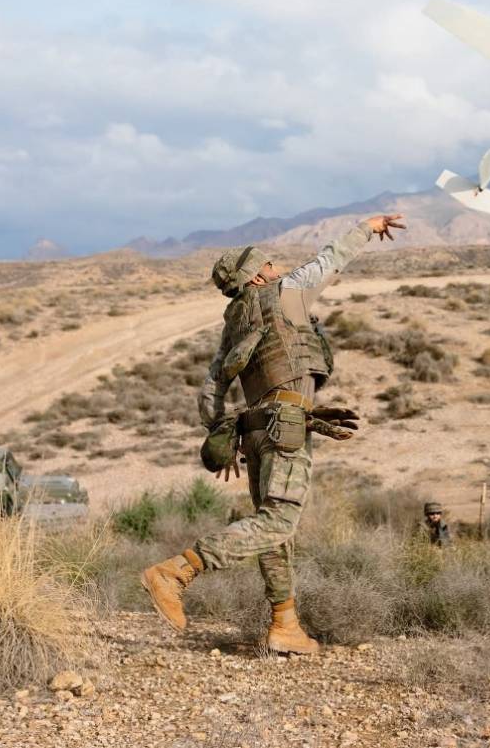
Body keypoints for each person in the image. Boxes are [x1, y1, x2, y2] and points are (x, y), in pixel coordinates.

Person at [141, 213, 406, 654]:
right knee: (279, 521)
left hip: (256, 431)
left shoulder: (234, 323)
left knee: (272, 529)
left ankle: (285, 625)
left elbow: (211, 389)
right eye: (268, 263)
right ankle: (177, 571)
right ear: (257, 275)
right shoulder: (288, 292)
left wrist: (221, 437)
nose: (276, 266)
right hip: (285, 427)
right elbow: (330, 259)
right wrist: (366, 227)